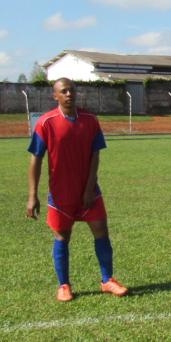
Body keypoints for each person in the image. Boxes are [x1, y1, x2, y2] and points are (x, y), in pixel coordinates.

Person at [27, 78, 128, 302]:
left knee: (101, 230)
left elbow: (95, 154)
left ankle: (107, 280)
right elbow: (36, 160)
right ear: (56, 96)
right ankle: (64, 285)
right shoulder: (46, 122)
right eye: (63, 92)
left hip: (88, 190)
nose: (69, 94)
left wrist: (89, 187)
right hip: (61, 192)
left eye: (72, 90)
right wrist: (32, 195)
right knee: (62, 236)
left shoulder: (90, 120)